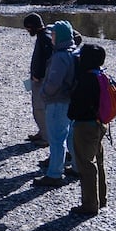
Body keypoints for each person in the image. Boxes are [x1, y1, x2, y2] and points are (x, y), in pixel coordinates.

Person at [34, 21, 78, 188]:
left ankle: (54, 174)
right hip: (71, 101)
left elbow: (53, 82)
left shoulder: (59, 56)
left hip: (57, 102)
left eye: (53, 34)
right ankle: (77, 167)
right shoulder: (73, 52)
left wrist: (44, 94)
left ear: (59, 36)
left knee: (56, 139)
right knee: (71, 136)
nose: (51, 37)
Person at [67, 43, 109, 216]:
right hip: (101, 124)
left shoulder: (86, 79)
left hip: (85, 126)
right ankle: (101, 197)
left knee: (86, 164)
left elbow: (76, 107)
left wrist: (71, 113)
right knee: (98, 162)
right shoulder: (102, 75)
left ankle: (90, 205)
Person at [23, 13, 51, 146]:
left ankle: (46, 137)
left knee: (40, 108)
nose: (27, 30)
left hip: (40, 80)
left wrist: (38, 75)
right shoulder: (44, 36)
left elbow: (47, 60)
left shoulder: (44, 38)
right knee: (38, 107)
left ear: (33, 26)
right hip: (38, 78)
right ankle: (42, 131)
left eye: (28, 28)